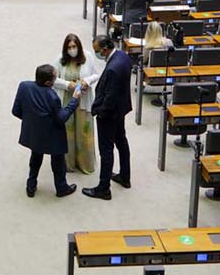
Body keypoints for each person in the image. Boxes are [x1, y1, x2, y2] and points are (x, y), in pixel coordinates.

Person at [11, 64, 80, 198]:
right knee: (58, 162)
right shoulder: (52, 96)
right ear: (48, 82)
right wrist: (74, 100)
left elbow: (16, 111)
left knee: (35, 158)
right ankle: (61, 188)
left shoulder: (24, 86)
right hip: (52, 135)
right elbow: (61, 118)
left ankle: (31, 186)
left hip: (34, 133)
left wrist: (32, 121)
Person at [83, 34, 132, 200]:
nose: (97, 54)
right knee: (121, 142)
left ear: (105, 49)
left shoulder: (112, 69)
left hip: (109, 114)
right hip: (121, 110)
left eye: (97, 51)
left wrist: (99, 112)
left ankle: (103, 188)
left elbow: (109, 98)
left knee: (106, 150)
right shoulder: (123, 56)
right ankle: (125, 177)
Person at [52, 34, 99, 174]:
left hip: (83, 100)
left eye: (74, 47)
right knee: (68, 133)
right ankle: (68, 164)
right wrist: (68, 85)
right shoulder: (60, 59)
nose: (72, 49)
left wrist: (87, 81)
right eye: (69, 47)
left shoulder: (88, 56)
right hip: (67, 100)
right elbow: (53, 79)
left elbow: (96, 74)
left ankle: (85, 163)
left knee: (84, 132)